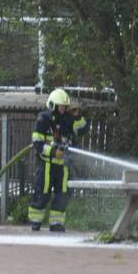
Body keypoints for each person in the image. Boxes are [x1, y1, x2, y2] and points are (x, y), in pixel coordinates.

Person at [29, 88, 88, 232]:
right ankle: (36, 221)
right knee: (43, 191)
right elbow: (37, 142)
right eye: (61, 106)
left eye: (65, 107)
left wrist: (78, 116)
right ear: (52, 105)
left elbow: (83, 129)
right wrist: (54, 152)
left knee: (63, 193)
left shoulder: (68, 119)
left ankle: (56, 223)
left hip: (63, 165)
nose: (63, 109)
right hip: (46, 163)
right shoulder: (43, 119)